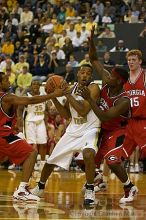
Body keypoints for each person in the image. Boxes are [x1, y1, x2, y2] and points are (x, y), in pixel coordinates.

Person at [80, 26, 138, 203]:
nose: (107, 76)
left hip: (120, 132)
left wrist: (90, 99)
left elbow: (105, 116)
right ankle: (97, 179)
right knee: (83, 156)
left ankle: (130, 187)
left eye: (111, 75)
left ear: (119, 81)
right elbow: (94, 58)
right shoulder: (108, 82)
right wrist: (92, 44)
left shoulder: (124, 100)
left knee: (112, 161)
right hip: (103, 131)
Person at [31, 64, 101, 205]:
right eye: (82, 72)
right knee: (51, 160)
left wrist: (67, 94)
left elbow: (83, 111)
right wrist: (54, 97)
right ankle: (40, 187)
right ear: (78, 74)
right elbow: (66, 114)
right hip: (73, 129)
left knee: (88, 154)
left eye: (88, 73)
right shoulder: (72, 89)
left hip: (90, 129)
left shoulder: (93, 88)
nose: (85, 75)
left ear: (91, 76)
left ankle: (90, 189)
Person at [0, 72, 63, 201]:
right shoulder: (6, 97)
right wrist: (53, 94)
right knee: (31, 153)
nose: (9, 81)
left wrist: (16, 123)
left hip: (7, 131)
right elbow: (30, 100)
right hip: (3, 135)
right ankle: (22, 190)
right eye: (6, 80)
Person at [105, 49, 146, 202]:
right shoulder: (124, 80)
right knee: (112, 159)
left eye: (134, 59)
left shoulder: (145, 76)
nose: (131, 62)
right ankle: (130, 188)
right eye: (129, 60)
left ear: (140, 61)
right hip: (128, 125)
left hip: (143, 122)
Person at [20, 80, 48, 171]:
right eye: (34, 84)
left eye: (37, 84)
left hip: (41, 121)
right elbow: (20, 108)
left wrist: (46, 123)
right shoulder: (27, 96)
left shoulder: (43, 96)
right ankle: (33, 162)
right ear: (31, 86)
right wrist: (19, 119)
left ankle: (42, 163)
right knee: (31, 144)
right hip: (30, 122)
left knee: (43, 143)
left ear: (40, 85)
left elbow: (46, 111)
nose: (35, 85)